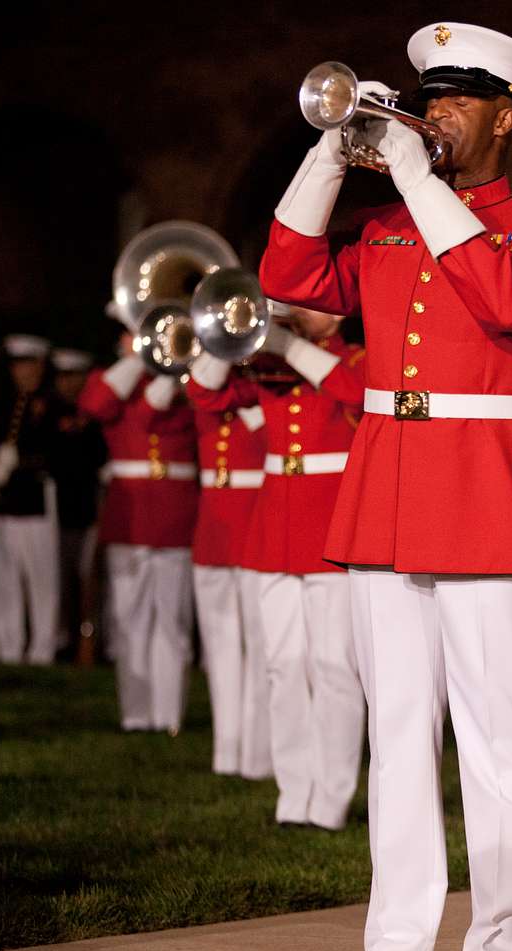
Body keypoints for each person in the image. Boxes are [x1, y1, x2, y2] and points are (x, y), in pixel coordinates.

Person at [259, 22, 512, 951]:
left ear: (502, 114)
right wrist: (328, 153)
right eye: (422, 97)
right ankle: (396, 948)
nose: (430, 113)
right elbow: (284, 279)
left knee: (496, 735)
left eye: (453, 100)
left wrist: (411, 175)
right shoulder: (389, 229)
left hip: (484, 499)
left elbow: (501, 304)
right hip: (387, 497)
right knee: (398, 733)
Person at [188, 308, 366, 830]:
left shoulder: (353, 356)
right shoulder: (267, 364)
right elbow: (205, 395)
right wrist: (228, 339)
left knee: (334, 665)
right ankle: (293, 795)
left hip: (330, 523)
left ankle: (331, 798)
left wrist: (289, 347)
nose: (294, 310)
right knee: (283, 664)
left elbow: (355, 393)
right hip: (274, 528)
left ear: (336, 313)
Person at [79, 337, 198, 733]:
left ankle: (169, 716)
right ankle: (135, 715)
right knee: (129, 620)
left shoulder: (184, 377)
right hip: (129, 518)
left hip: (174, 514)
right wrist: (136, 358)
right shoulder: (113, 379)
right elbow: (94, 405)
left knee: (172, 621)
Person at [190, 369, 271, 778]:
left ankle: (258, 756)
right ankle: (226, 751)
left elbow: (274, 440)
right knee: (219, 650)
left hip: (256, 524)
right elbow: (202, 385)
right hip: (214, 534)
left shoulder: (268, 386)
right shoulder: (207, 381)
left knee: (261, 647)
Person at [0, 334, 61, 664]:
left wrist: (23, 461)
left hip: (37, 503)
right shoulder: (2, 405)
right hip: (6, 505)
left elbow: (58, 453)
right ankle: (10, 645)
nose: (24, 372)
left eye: (29, 365)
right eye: (18, 366)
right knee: (6, 579)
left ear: (41, 367)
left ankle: (43, 647)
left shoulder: (51, 405)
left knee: (42, 579)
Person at [50, 348, 107, 662]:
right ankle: (64, 640)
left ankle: (89, 641)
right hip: (57, 512)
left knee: (89, 580)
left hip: (89, 511)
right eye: (63, 377)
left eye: (73, 376)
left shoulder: (94, 416)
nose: (67, 383)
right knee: (60, 581)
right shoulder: (49, 413)